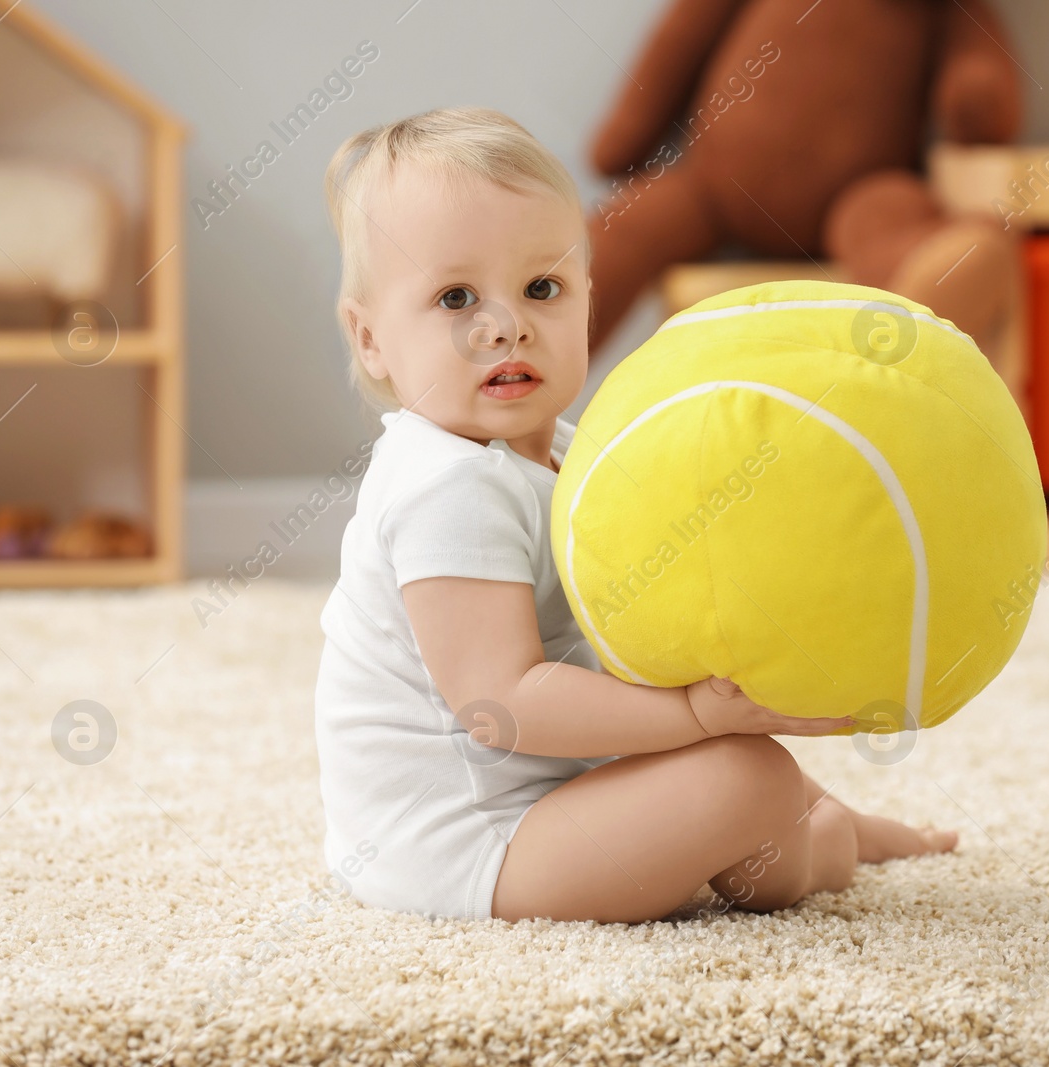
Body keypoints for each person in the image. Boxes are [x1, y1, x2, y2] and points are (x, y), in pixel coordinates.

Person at [314, 106, 958, 924]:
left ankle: (833, 821)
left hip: (549, 796)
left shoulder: (575, 457)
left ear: (586, 301)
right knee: (744, 772)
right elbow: (502, 703)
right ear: (371, 339)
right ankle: (817, 848)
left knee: (716, 724)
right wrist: (691, 715)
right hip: (467, 850)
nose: (505, 323)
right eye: (454, 297)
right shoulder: (448, 487)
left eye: (541, 287)